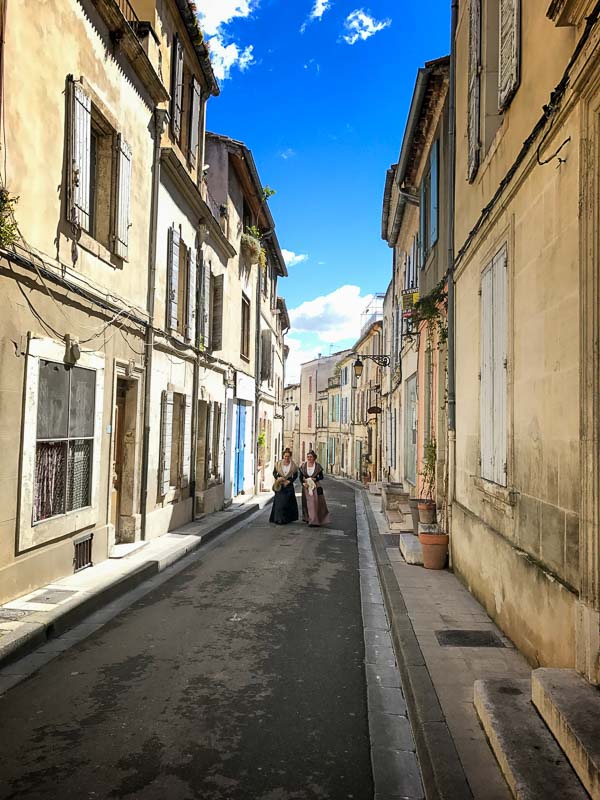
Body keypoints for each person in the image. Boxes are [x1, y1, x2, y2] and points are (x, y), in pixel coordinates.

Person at [299, 450, 331, 527]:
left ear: (314, 458)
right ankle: (308, 518)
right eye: (308, 457)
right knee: (307, 503)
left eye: (311, 457)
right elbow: (300, 477)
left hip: (315, 486)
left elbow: (321, 477)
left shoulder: (317, 467)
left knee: (315, 503)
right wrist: (303, 483)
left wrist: (315, 479)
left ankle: (314, 520)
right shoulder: (303, 466)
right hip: (307, 486)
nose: (309, 458)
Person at [269, 448, 299, 525]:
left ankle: (286, 519)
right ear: (283, 456)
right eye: (285, 456)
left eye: (288, 456)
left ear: (290, 457)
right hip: (279, 485)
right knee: (279, 503)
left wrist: (290, 481)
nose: (286, 458)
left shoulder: (293, 465)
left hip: (288, 486)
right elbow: (274, 473)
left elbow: (295, 475)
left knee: (287, 503)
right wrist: (278, 478)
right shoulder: (278, 464)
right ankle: (278, 519)